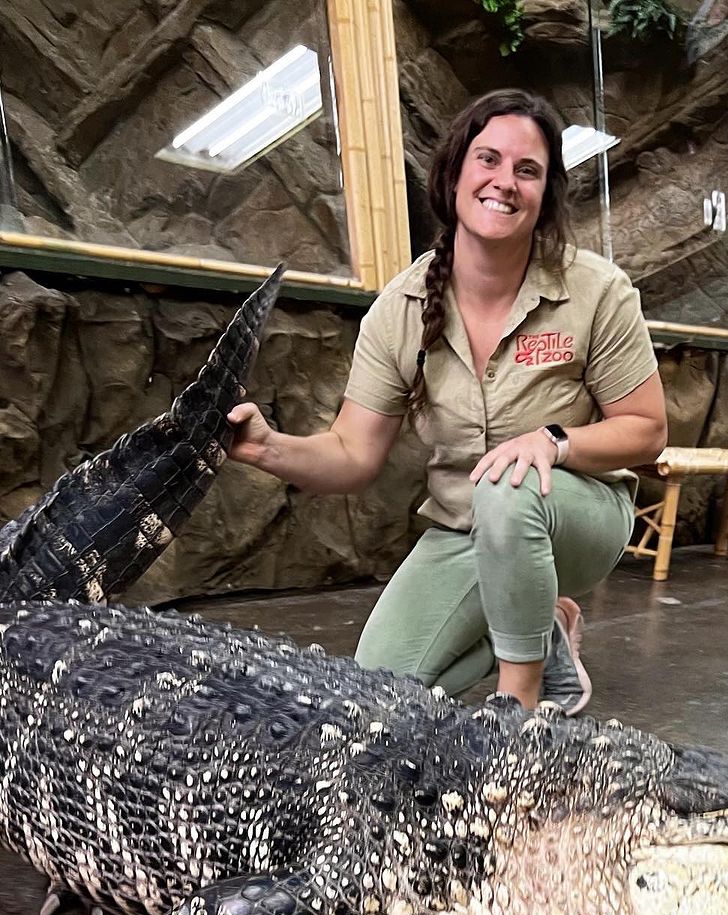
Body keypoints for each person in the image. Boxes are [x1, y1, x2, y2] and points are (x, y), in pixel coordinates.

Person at [227, 88, 666, 713]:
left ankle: (520, 706)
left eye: (528, 170)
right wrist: (267, 448)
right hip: (463, 528)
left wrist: (554, 442)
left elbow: (646, 430)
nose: (505, 182)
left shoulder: (596, 291)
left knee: (510, 484)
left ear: (545, 197)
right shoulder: (402, 308)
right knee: (377, 692)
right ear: (455, 172)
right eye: (488, 160)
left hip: (575, 514)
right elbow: (353, 453)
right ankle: (544, 627)